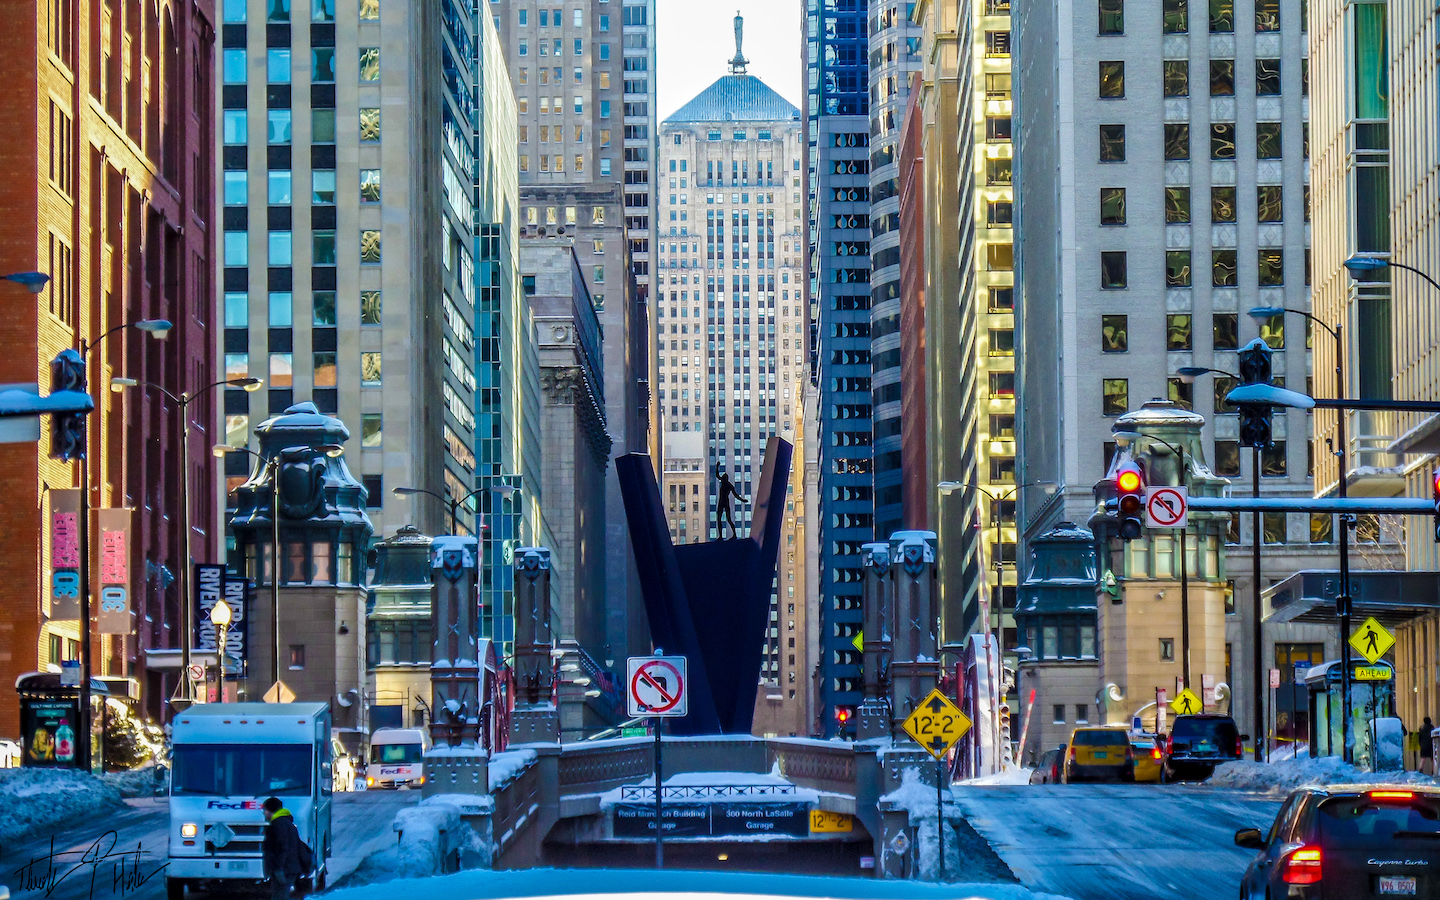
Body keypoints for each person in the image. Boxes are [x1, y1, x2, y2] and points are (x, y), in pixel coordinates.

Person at [262, 796, 303, 900]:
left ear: (270, 811)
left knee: (280, 897)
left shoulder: (278, 824)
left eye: (265, 810)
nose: (263, 813)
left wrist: (278, 868)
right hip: (288, 868)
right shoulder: (285, 822)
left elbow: (281, 848)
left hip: (284, 869)